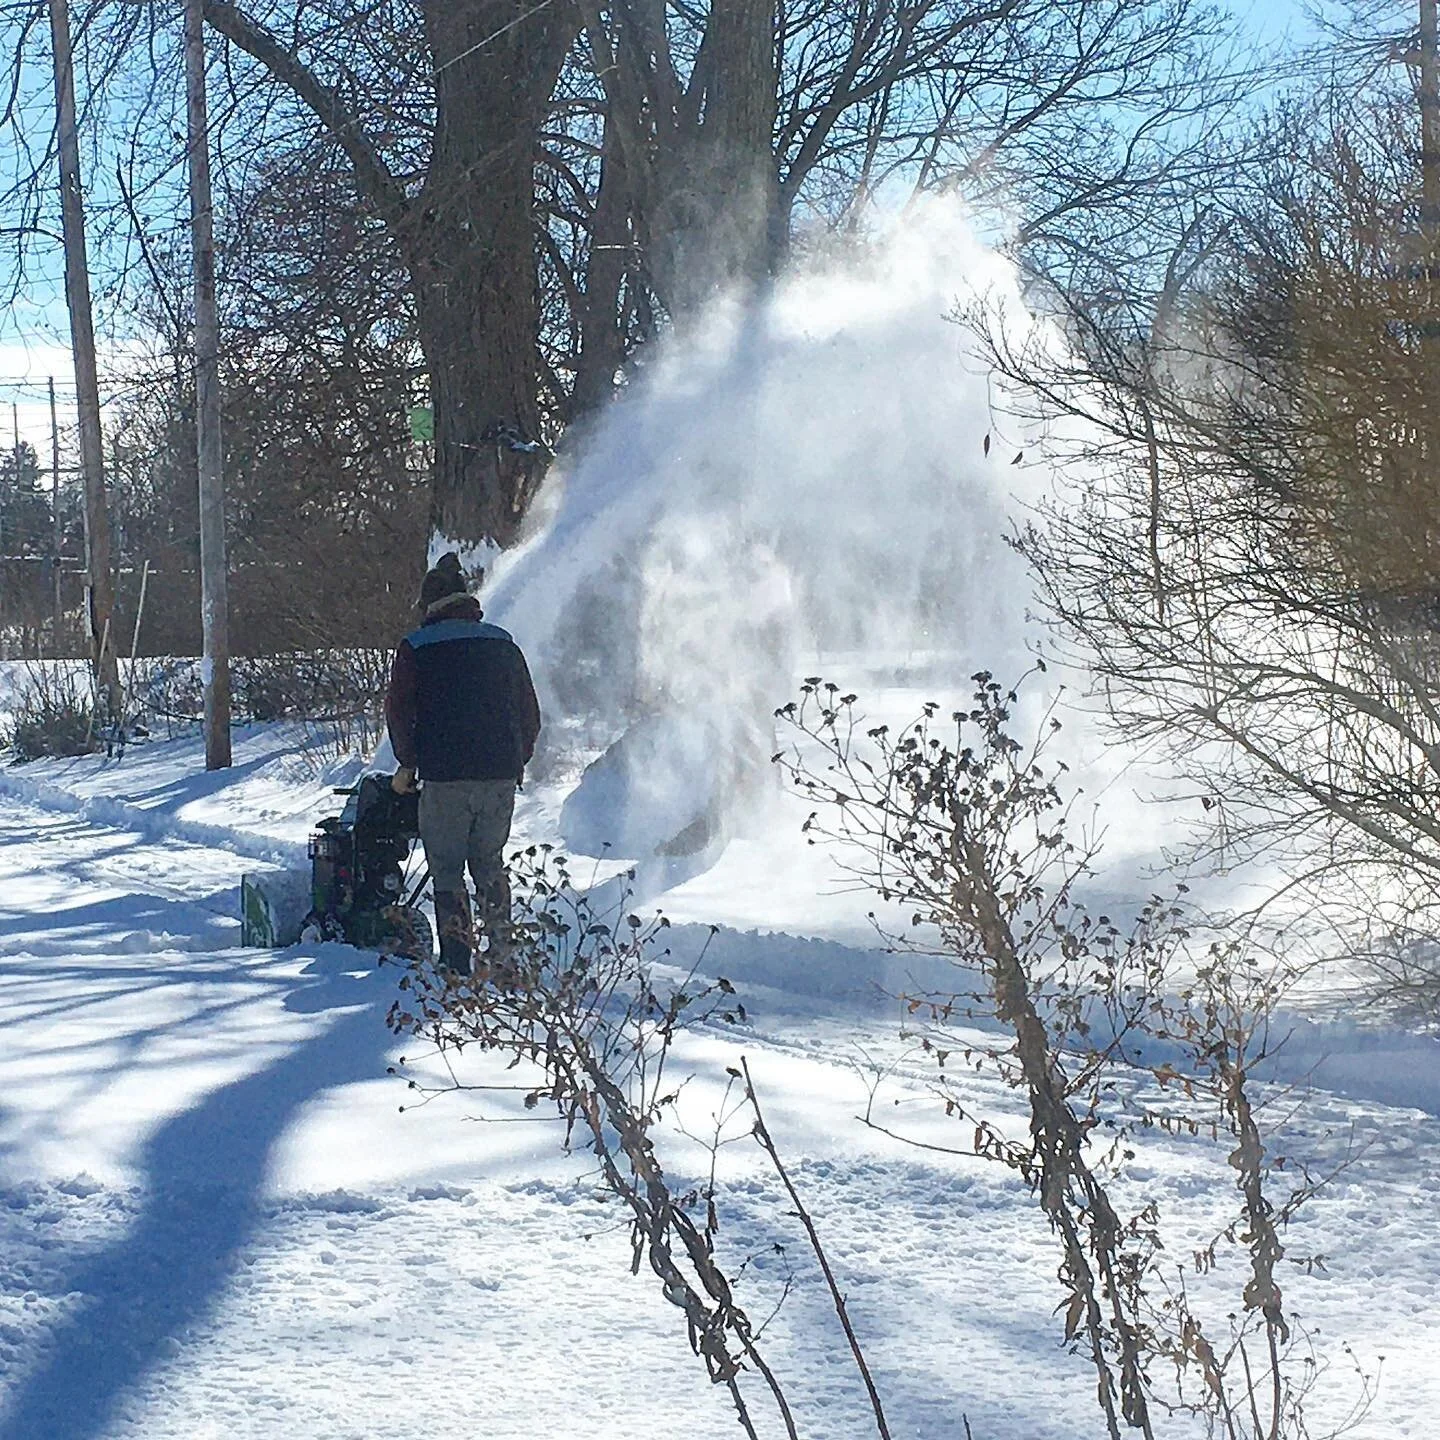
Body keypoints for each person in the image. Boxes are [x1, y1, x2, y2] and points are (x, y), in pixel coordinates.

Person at [384, 552, 541, 975]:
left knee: (448, 871)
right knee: (490, 863)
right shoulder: (503, 642)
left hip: (445, 778)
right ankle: (503, 955)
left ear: (428, 607)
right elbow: (529, 711)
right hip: (500, 775)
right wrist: (516, 757)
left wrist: (407, 765)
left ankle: (457, 964)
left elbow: (399, 712)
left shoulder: (416, 647)